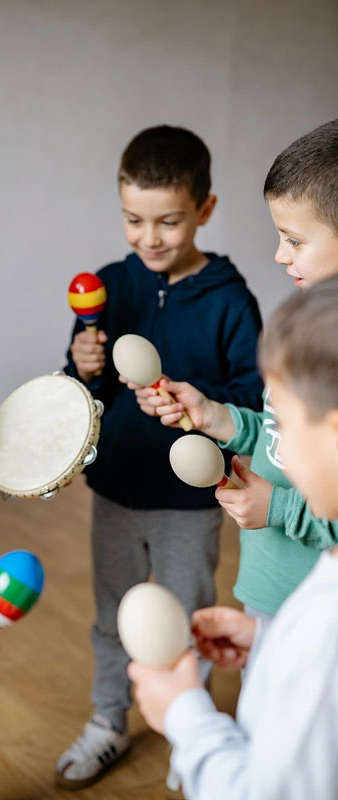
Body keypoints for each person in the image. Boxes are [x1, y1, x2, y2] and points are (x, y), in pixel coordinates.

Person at [56, 125, 263, 790]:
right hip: (116, 491)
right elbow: (83, 395)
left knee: (183, 619)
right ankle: (108, 720)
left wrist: (198, 402)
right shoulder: (108, 286)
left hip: (188, 503)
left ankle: (189, 735)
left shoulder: (230, 301)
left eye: (168, 221)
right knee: (114, 615)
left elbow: (252, 402)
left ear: (204, 210)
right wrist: (83, 368)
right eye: (133, 219)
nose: (148, 238)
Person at [129, 276, 338, 800]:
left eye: (285, 421)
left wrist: (184, 714)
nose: (275, 443)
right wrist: (270, 644)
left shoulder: (324, 629)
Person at [137, 119, 338, 624]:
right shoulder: (300, 327)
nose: (279, 254)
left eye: (295, 240)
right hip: (267, 587)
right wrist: (215, 416)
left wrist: (278, 510)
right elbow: (272, 435)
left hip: (318, 606)